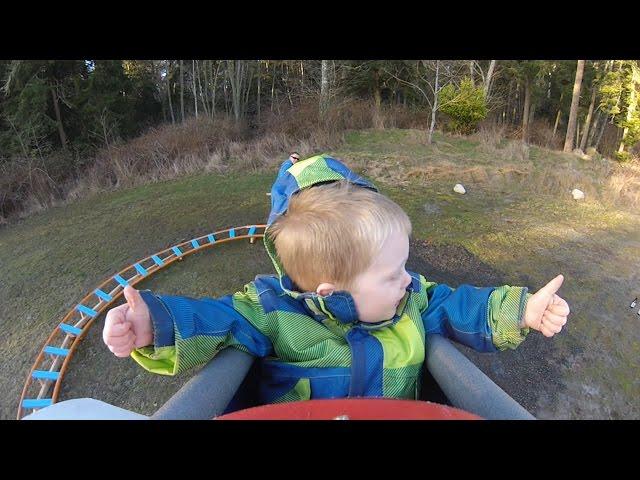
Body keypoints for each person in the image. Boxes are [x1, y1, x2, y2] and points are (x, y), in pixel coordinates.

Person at [103, 154, 570, 404]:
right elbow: (215, 320)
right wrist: (153, 327)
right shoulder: (272, 313)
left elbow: (464, 306)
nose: (409, 281)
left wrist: (522, 311)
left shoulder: (412, 303)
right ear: (332, 293)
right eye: (392, 275)